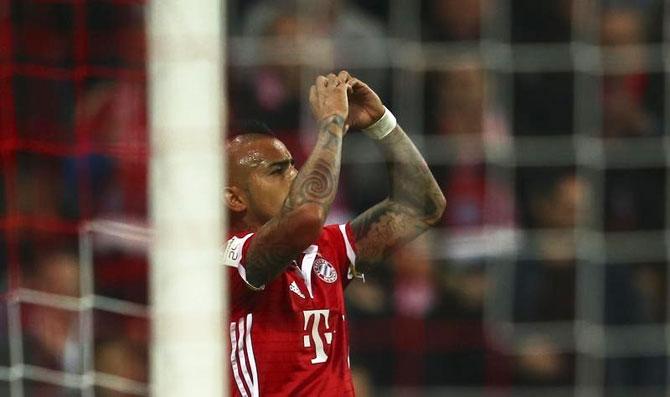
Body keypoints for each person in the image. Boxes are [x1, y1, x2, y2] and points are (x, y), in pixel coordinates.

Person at [223, 70, 445, 396]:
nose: (295, 177)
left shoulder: (328, 248)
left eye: (293, 165)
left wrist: (379, 123)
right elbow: (306, 216)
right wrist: (332, 124)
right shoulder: (230, 259)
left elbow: (423, 207)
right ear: (235, 198)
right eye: (277, 171)